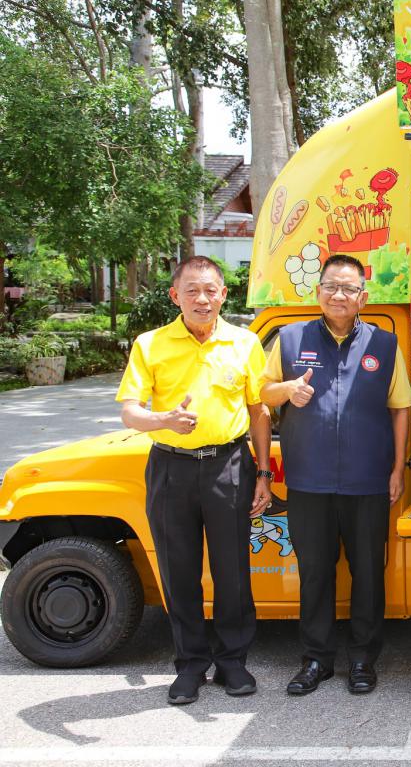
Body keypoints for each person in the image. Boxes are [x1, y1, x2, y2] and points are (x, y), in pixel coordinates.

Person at [117, 256, 273, 705]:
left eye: (210, 290)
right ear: (175, 296)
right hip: (171, 467)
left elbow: (259, 410)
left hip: (230, 466)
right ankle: (189, 665)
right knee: (178, 570)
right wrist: (162, 419)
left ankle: (232, 661)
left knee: (233, 570)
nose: (202, 299)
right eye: (192, 291)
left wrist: (263, 472)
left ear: (223, 294)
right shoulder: (150, 344)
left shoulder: (244, 343)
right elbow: (130, 411)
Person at [260, 254, 411, 696]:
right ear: (318, 291)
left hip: (368, 481)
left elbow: (401, 407)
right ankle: (316, 659)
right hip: (309, 480)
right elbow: (262, 393)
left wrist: (397, 468)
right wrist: (287, 389)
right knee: (315, 573)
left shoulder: (385, 344)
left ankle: (363, 659)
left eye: (348, 288)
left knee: (368, 573)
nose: (339, 295)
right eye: (331, 286)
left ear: (362, 296)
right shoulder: (290, 339)